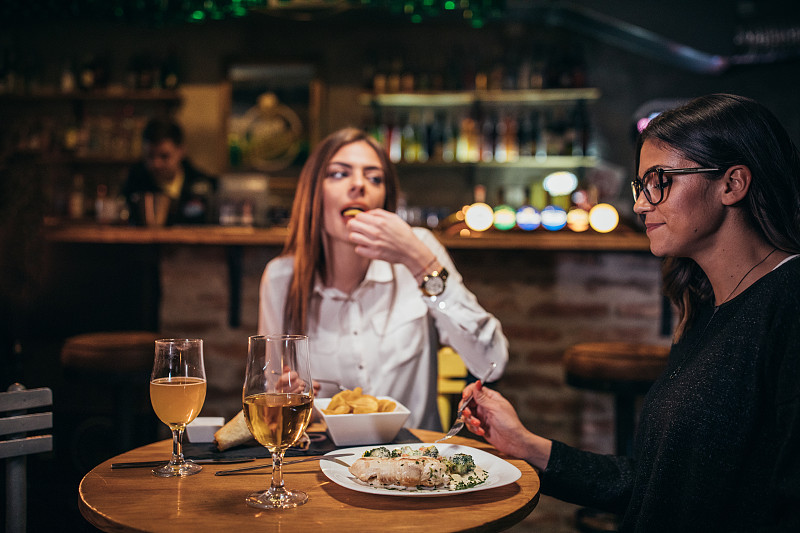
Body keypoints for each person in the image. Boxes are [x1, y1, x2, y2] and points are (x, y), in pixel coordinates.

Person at [461, 94, 800, 531]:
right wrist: (525, 443)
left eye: (660, 180)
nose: (640, 204)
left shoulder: (788, 303)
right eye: (642, 186)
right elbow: (654, 485)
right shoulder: (705, 304)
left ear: (732, 184)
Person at [257, 127, 508, 430]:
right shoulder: (282, 277)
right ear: (313, 193)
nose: (359, 185)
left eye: (374, 178)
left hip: (415, 459)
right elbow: (268, 394)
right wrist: (285, 392)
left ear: (385, 199)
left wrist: (420, 262)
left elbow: (492, 362)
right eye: (339, 174)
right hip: (320, 461)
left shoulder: (419, 249)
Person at [122, 118, 217, 225]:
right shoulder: (135, 182)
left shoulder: (201, 183)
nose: (156, 164)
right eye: (150, 156)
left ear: (181, 151)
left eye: (164, 156)